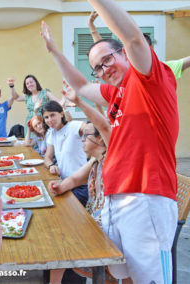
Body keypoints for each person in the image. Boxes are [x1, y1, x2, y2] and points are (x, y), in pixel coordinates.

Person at [40, 0, 178, 282]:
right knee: (121, 276)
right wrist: (54, 52)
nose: (104, 69)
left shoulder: (150, 79)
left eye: (107, 60)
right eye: (97, 68)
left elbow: (133, 37)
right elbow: (79, 86)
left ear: (124, 53)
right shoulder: (117, 93)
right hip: (116, 199)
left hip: (146, 197)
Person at [48, 83, 114, 283]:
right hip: (93, 219)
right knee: (59, 226)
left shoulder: (112, 156)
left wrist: (80, 101)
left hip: (107, 225)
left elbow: (104, 125)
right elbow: (75, 179)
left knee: (62, 232)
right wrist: (60, 186)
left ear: (101, 140)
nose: (82, 139)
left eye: (85, 136)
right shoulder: (96, 161)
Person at [88, 10, 190, 80]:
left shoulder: (160, 69)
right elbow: (104, 52)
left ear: (151, 49)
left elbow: (185, 62)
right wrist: (92, 27)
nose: (138, 52)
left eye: (141, 48)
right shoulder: (127, 68)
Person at [42, 100, 88, 206]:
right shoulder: (52, 133)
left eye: (52, 115)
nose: (50, 120)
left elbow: (91, 129)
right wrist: (51, 165)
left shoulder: (74, 126)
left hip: (80, 186)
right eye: (46, 117)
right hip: (63, 183)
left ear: (61, 114)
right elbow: (47, 157)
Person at [7, 75, 73, 134]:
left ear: (36, 82)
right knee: (31, 144)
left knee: (44, 143)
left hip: (44, 122)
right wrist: (11, 86)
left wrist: (69, 103)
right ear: (26, 86)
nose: (30, 84)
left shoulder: (45, 93)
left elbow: (58, 101)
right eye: (27, 83)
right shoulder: (27, 96)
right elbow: (16, 97)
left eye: (31, 82)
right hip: (31, 123)